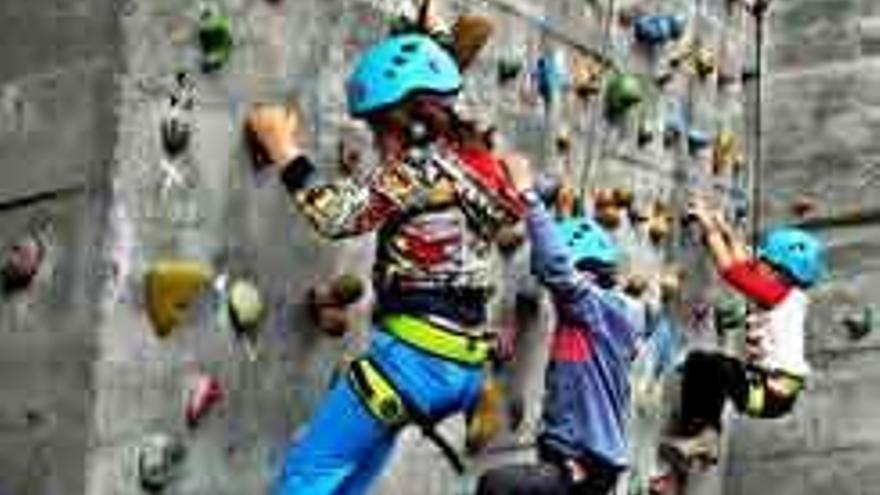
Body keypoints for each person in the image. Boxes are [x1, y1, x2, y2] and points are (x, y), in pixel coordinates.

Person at [245, 32, 525, 495]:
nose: (378, 143)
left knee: (304, 478)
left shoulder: (420, 171)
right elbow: (513, 209)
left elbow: (335, 214)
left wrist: (281, 145)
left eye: (381, 128)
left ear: (414, 122)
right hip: (460, 365)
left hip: (412, 363)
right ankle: (480, 396)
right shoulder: (478, 170)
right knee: (349, 483)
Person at [476, 158, 642, 495]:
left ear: (587, 273)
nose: (556, 295)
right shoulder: (595, 313)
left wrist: (527, 193)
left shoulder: (605, 310)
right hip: (568, 453)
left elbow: (557, 269)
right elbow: (553, 272)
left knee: (497, 487)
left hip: (585, 462)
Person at [661, 195, 826, 469]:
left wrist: (711, 229)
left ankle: (705, 439)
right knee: (701, 364)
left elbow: (733, 271)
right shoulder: (783, 291)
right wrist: (724, 229)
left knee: (717, 369)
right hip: (769, 387)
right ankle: (701, 439)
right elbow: (746, 263)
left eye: (765, 260)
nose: (756, 260)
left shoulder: (778, 293)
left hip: (771, 393)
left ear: (780, 272)